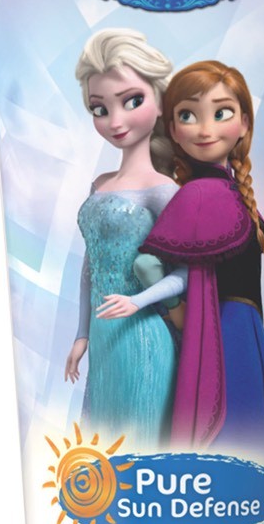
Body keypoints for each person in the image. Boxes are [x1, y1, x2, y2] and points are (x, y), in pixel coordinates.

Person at [135, 60, 264, 455]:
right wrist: (179, 313)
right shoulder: (199, 194)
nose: (205, 129)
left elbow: (152, 267)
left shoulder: (226, 192)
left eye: (221, 113)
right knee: (245, 446)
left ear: (244, 122)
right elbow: (147, 265)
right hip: (228, 337)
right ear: (174, 130)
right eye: (188, 116)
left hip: (240, 336)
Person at [63, 29, 184, 448]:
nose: (115, 121)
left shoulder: (162, 190)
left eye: (132, 101)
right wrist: (81, 335)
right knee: (104, 448)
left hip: (144, 336)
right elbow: (90, 267)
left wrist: (139, 300)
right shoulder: (99, 184)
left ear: (160, 100)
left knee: (140, 444)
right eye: (100, 108)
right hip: (103, 339)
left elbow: (186, 273)